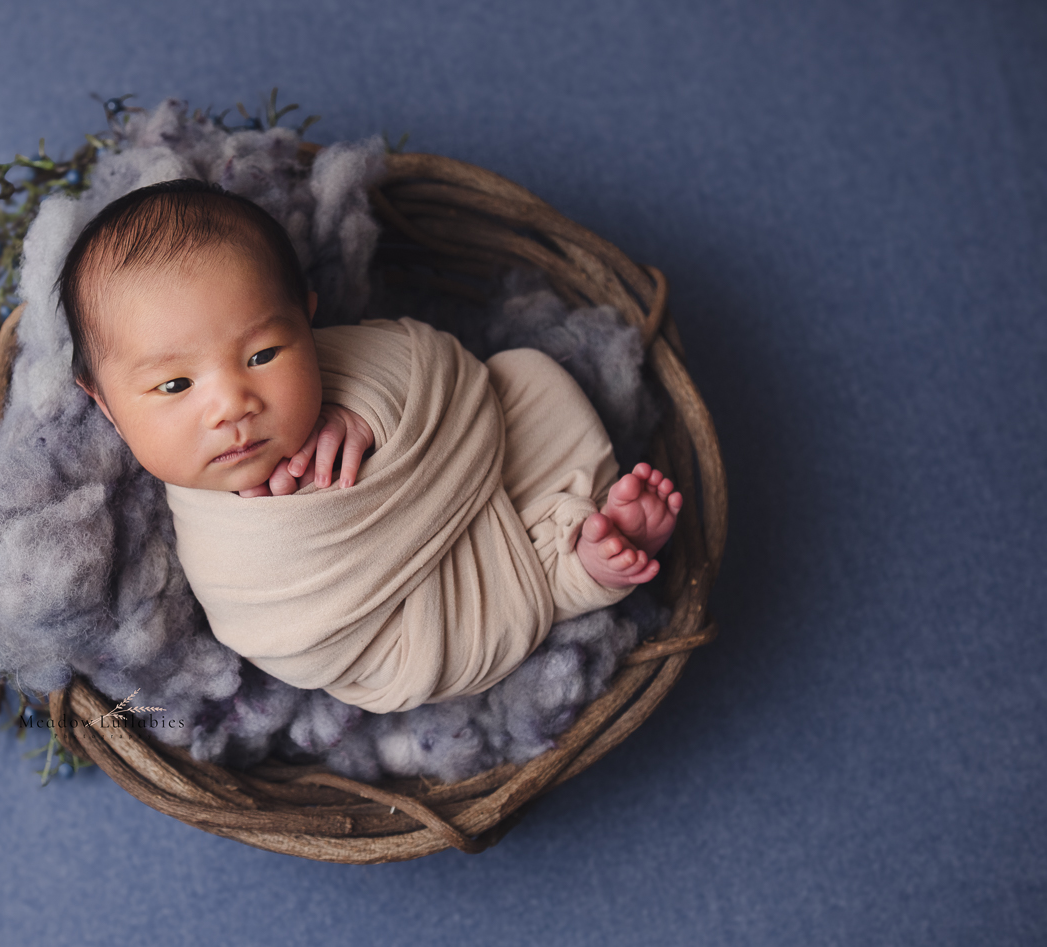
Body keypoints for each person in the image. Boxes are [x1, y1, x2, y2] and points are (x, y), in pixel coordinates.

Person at [56, 179, 681, 713]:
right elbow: (274, 636)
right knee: (405, 654)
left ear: (307, 320)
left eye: (263, 354)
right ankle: (576, 576)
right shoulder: (213, 538)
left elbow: (433, 359)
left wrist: (368, 409)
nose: (232, 405)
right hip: (402, 631)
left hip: (491, 478)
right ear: (107, 405)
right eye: (174, 384)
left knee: (530, 383)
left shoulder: (341, 363)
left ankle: (580, 543)